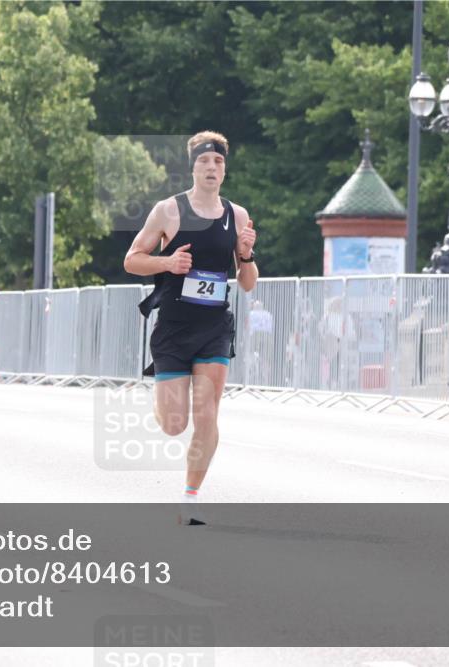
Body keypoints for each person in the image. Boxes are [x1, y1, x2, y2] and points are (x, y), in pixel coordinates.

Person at [123, 131, 258, 525]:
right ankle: (163, 400)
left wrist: (246, 255)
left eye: (218, 162)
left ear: (224, 169)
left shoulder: (238, 216)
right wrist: (167, 264)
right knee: (174, 423)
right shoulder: (168, 211)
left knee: (208, 414)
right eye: (204, 162)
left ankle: (190, 497)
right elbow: (132, 260)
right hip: (174, 328)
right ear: (193, 166)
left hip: (215, 326)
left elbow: (247, 283)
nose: (211, 168)